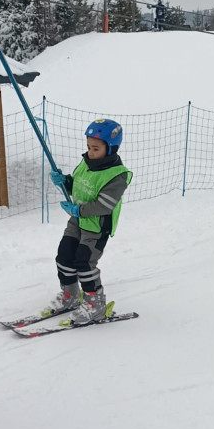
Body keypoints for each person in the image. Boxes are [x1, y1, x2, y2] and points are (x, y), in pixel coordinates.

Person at [48, 119, 132, 325]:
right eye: (88, 147)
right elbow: (78, 186)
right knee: (64, 256)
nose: (90, 152)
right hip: (77, 222)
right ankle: (71, 295)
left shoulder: (117, 176)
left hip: (96, 226)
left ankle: (96, 304)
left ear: (111, 148)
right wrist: (65, 181)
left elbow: (105, 204)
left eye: (96, 148)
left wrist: (79, 209)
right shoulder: (86, 163)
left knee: (84, 263)